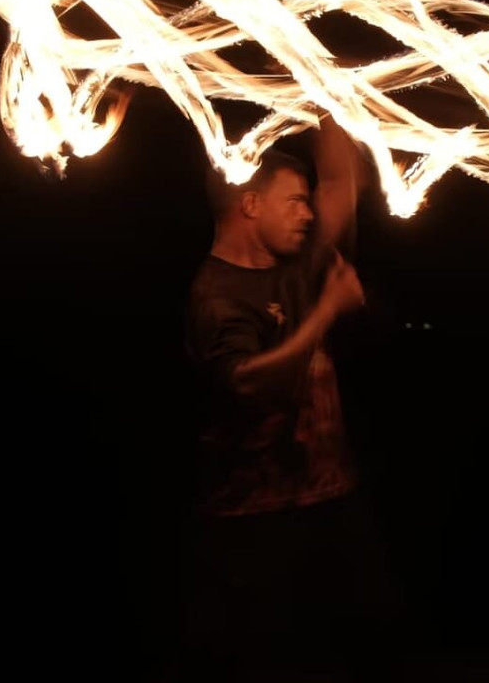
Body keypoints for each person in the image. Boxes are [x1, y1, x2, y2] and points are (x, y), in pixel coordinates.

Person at [177, 112, 411, 681]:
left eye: (307, 203)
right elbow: (251, 384)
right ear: (249, 205)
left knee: (375, 648)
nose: (308, 214)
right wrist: (328, 311)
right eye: (294, 202)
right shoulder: (215, 296)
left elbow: (340, 182)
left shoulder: (298, 262)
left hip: (334, 502)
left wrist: (326, 89)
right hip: (253, 524)